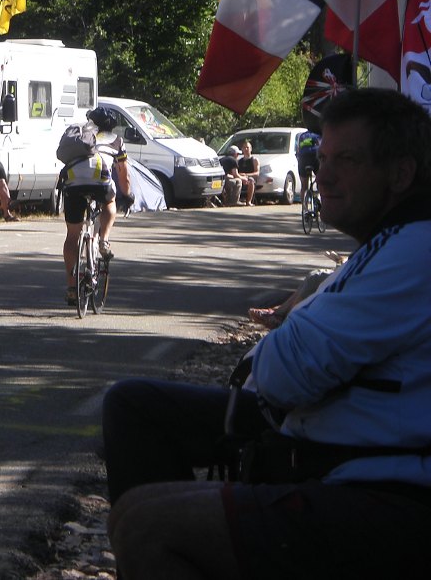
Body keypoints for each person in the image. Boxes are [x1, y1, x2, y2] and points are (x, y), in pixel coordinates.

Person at [103, 87, 431, 578]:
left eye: (347, 159)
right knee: (133, 406)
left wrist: (292, 324)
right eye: (321, 158)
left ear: (400, 173)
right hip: (331, 445)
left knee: (146, 526)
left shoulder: (415, 251)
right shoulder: (389, 243)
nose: (324, 175)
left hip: (384, 486)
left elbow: (282, 375)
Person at [60, 106, 133, 307]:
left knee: (72, 235)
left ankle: (72, 288)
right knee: (110, 202)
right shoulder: (117, 141)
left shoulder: (81, 136)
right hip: (100, 181)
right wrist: (127, 195)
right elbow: (123, 175)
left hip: (73, 181)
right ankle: (104, 240)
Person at [297, 128, 320, 202]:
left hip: (303, 160)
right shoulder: (318, 134)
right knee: (321, 181)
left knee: (304, 186)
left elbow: (298, 149)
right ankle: (323, 203)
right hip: (315, 158)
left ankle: (304, 207)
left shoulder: (302, 136)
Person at [236, 138, 259, 205]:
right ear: (242, 149)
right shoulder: (239, 161)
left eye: (247, 147)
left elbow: (257, 173)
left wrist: (246, 175)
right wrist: (241, 176)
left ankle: (248, 201)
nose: (246, 149)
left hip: (250, 178)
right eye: (244, 147)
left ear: (251, 149)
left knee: (251, 181)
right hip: (240, 178)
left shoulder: (254, 160)